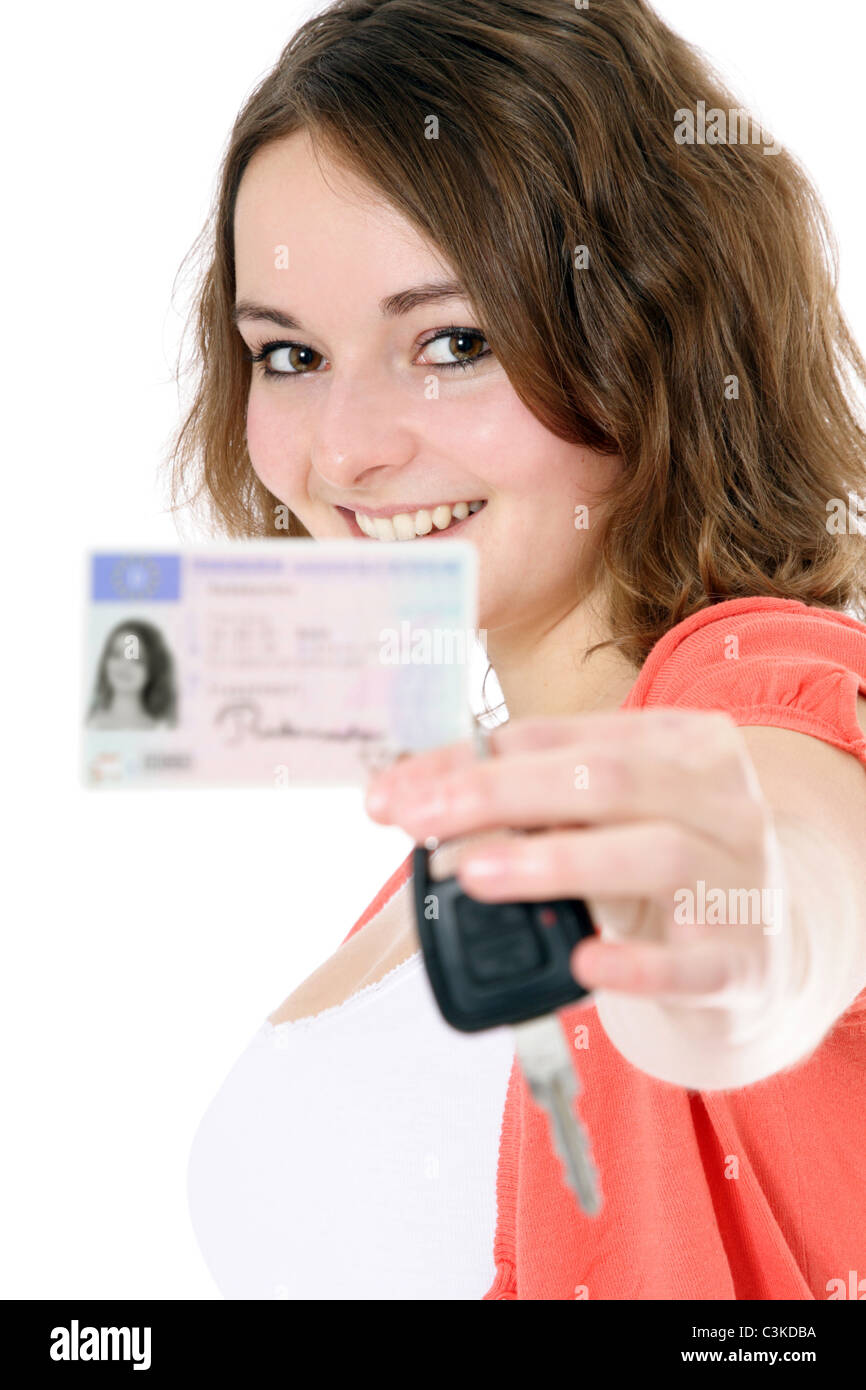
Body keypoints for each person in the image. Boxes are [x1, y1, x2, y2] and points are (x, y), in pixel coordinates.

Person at [176, 0, 866, 1299]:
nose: (345, 449)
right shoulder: (469, 838)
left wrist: (735, 919)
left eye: (452, 342)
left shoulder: (764, 694)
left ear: (653, 339)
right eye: (290, 353)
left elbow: (794, 869)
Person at [87, 619, 178, 730]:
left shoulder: (163, 729)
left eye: (137, 659)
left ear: (153, 668)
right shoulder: (89, 724)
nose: (124, 666)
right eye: (117, 654)